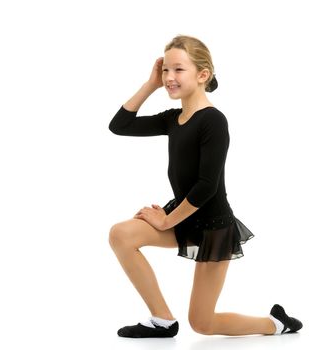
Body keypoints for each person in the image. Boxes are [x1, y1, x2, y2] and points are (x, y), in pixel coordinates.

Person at [108, 35, 302, 338]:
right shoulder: (174, 118)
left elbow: (206, 186)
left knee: (203, 323)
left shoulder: (213, 121)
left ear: (202, 75)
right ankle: (162, 320)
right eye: (165, 70)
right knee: (121, 234)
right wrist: (150, 85)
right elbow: (120, 125)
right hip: (184, 217)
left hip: (212, 226)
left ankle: (276, 324)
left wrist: (166, 219)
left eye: (178, 70)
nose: (169, 77)